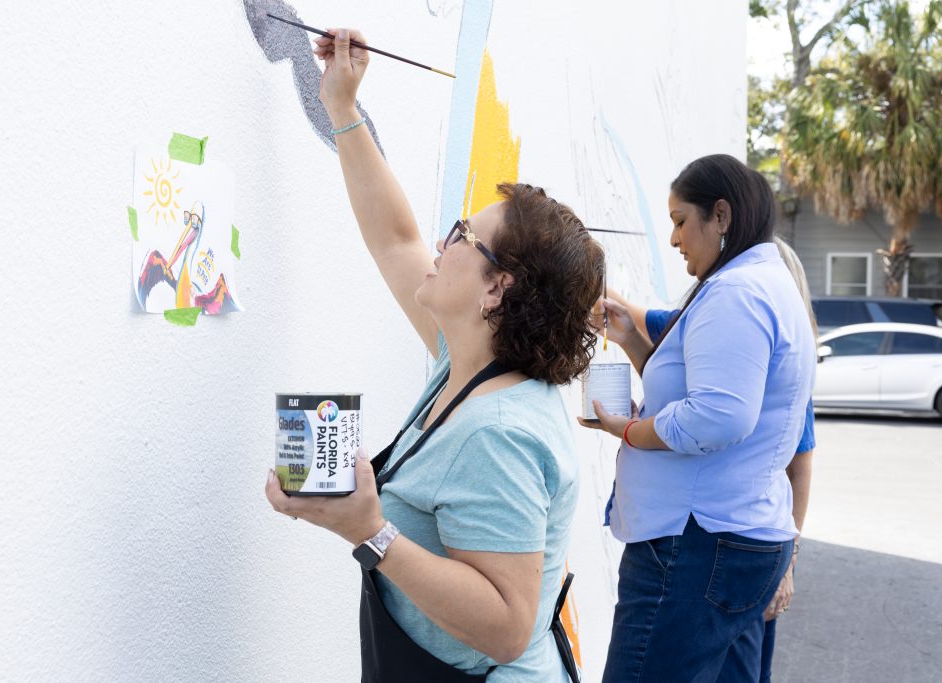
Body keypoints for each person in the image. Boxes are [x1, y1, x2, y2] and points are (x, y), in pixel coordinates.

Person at [264, 28, 604, 682]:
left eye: (460, 235)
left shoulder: (497, 432)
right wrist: (341, 103)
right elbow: (395, 239)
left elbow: (506, 624)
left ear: (495, 289)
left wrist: (371, 531)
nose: (440, 242)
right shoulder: (477, 367)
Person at [580, 154, 816, 682]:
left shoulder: (736, 292)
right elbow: (705, 394)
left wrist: (628, 431)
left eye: (680, 220)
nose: (673, 238)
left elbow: (718, 417)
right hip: (732, 538)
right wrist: (634, 341)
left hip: (694, 548)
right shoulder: (762, 283)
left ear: (722, 216)